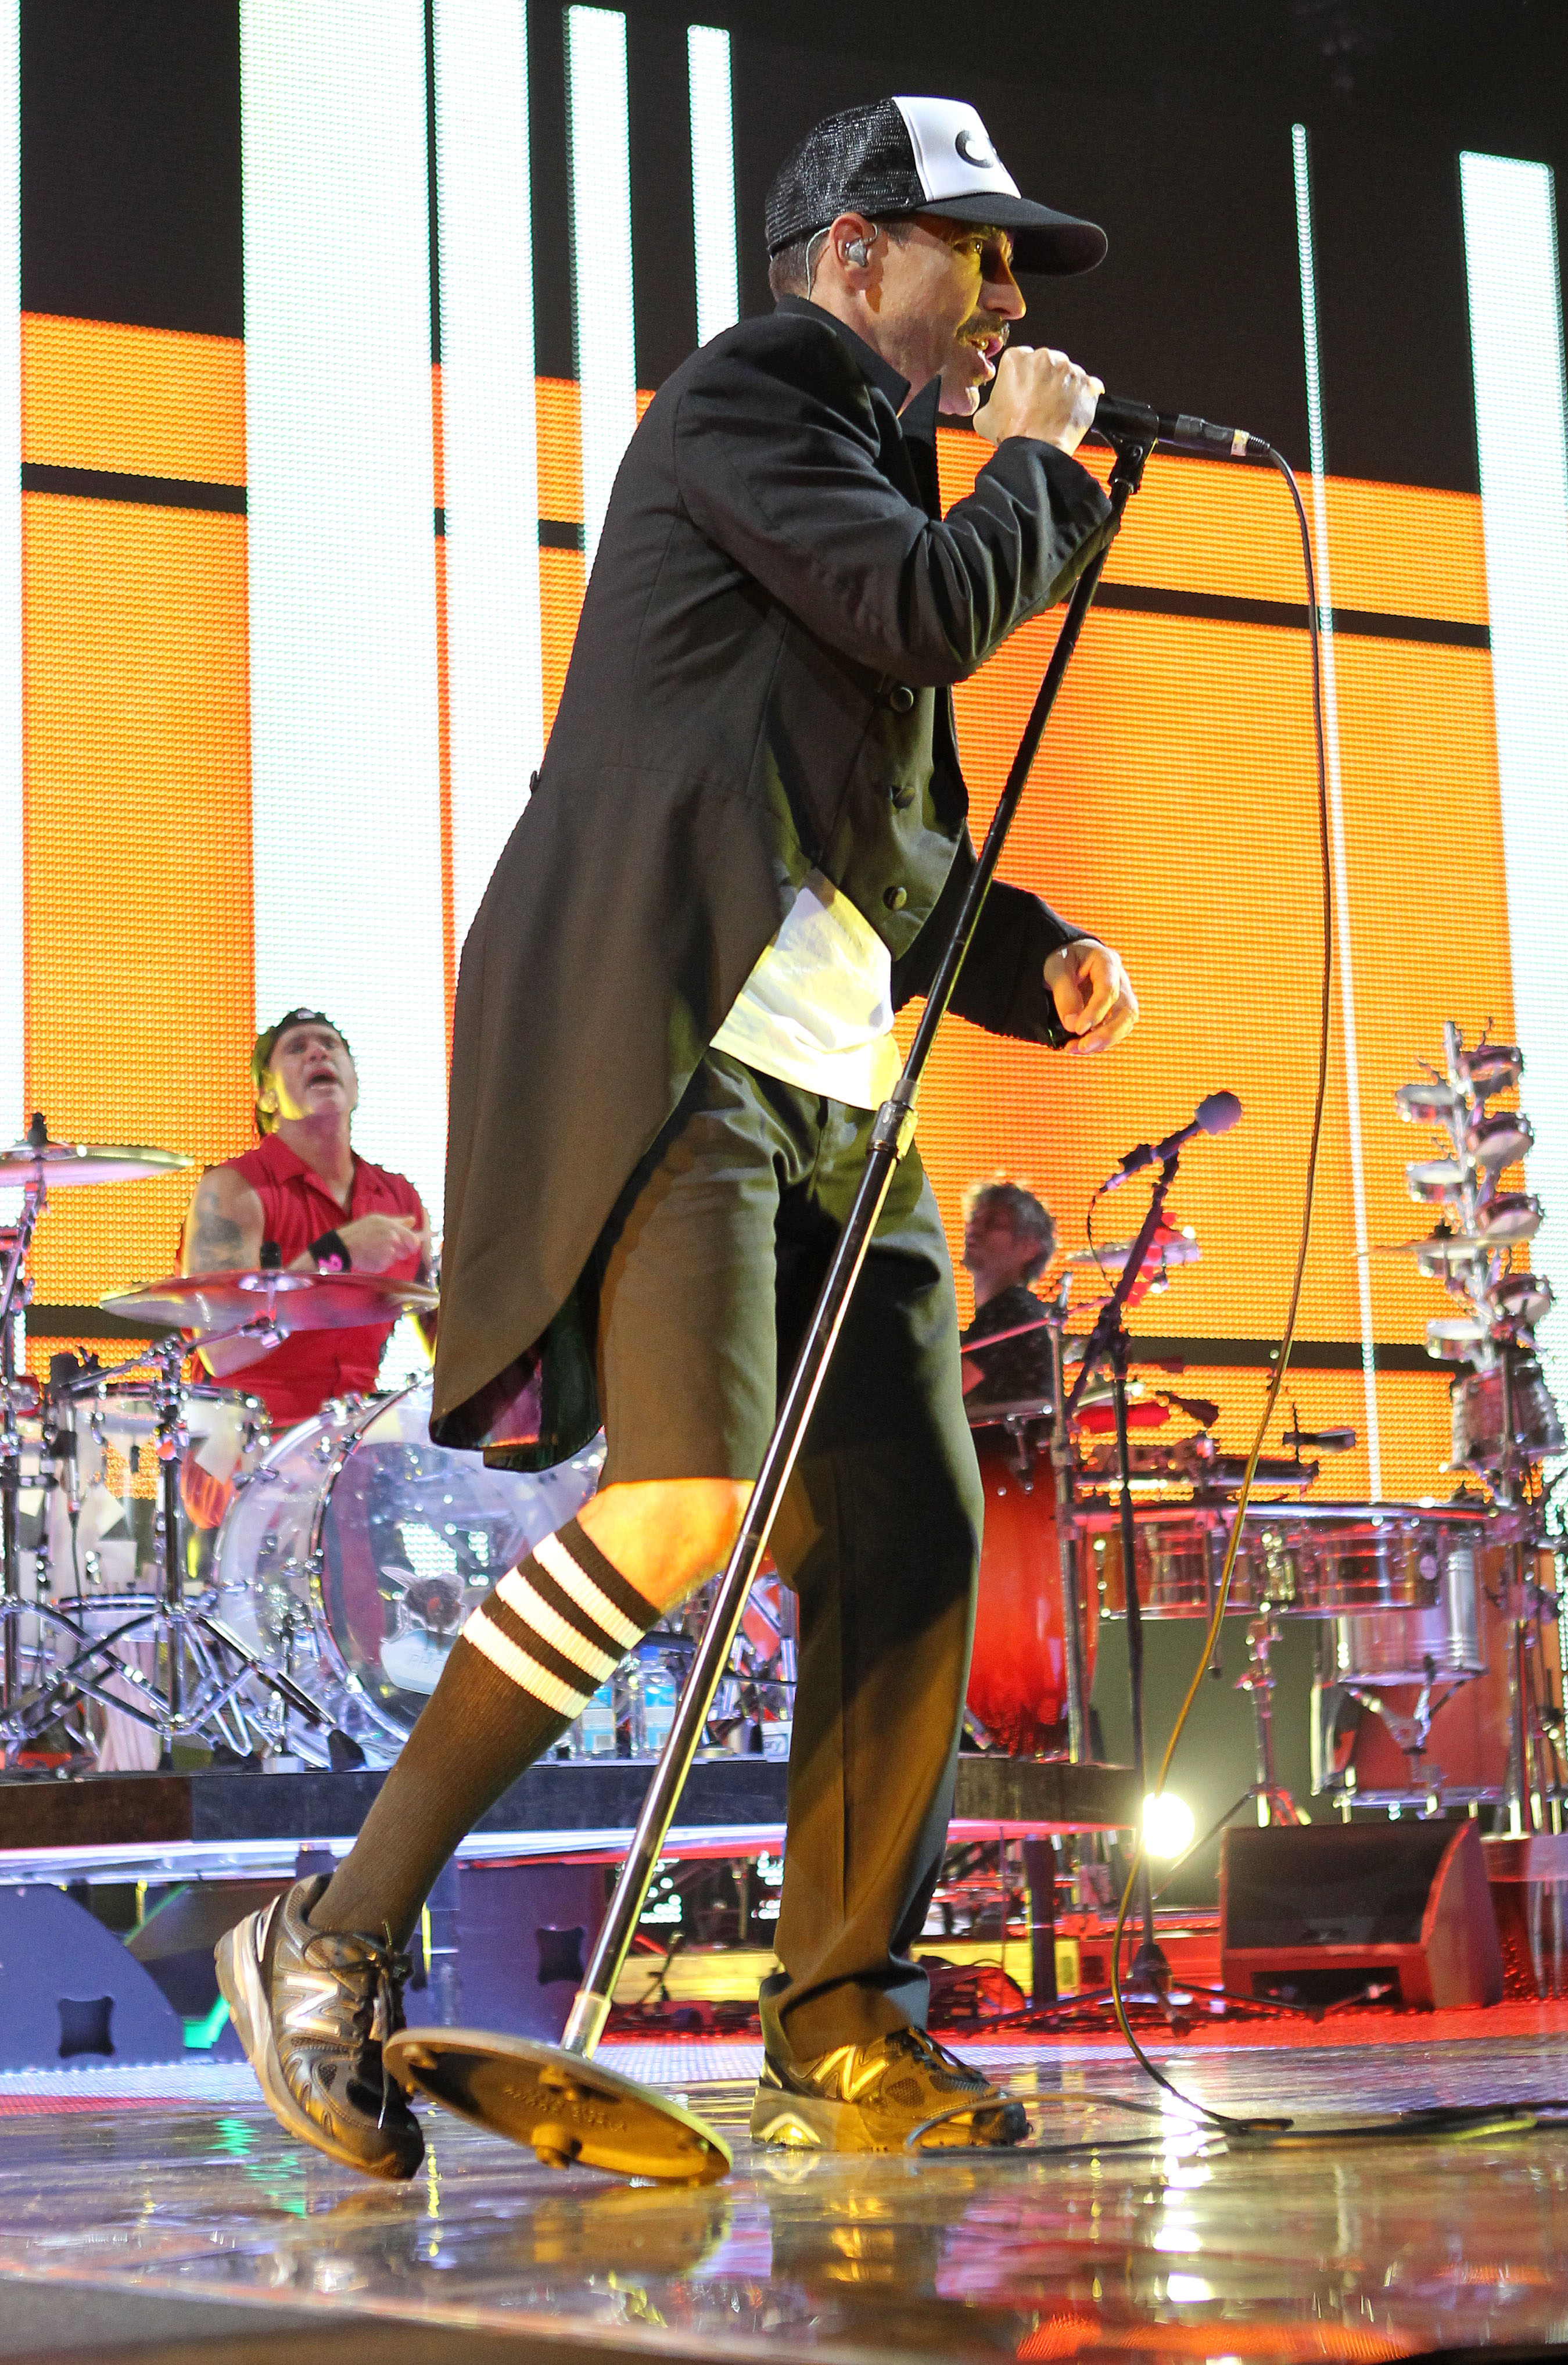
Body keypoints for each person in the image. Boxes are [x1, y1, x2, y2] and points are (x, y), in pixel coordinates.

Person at [218, 95, 1138, 2177]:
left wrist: (1032, 955)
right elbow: (923, 610)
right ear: (852, 260)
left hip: (827, 1087)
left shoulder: (878, 484)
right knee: (681, 1503)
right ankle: (333, 1934)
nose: (1006, 300)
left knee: (905, 1533)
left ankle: (843, 2024)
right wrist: (1041, 470)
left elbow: (879, 835)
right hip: (672, 1049)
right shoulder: (748, 403)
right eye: (976, 254)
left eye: (1017, 269)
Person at [180, 1009, 432, 1436]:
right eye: (297, 1049)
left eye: (329, 1045)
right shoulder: (234, 1189)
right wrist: (334, 1255)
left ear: (355, 1084)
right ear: (267, 1095)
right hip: (246, 1443)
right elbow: (221, 1351)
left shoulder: (400, 1198)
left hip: (355, 1443)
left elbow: (449, 1345)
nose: (318, 1053)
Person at [959, 1179, 1060, 1411]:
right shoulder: (1013, 1310)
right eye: (974, 1218)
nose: (974, 1228)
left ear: (1029, 1247)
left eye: (993, 1223)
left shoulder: (1012, 1311)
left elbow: (941, 1392)